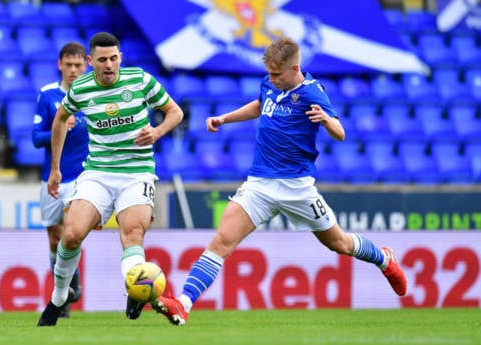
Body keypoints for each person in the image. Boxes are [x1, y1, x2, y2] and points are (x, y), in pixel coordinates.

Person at [150, 36, 408, 326]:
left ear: (295, 68)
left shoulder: (313, 93)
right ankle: (183, 304)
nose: (271, 79)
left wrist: (326, 120)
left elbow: (340, 133)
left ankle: (384, 259)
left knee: (339, 243)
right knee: (221, 241)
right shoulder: (269, 84)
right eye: (269, 73)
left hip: (297, 187)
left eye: (277, 74)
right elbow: (260, 105)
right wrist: (224, 118)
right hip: (259, 184)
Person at [36, 31, 184, 326]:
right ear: (90, 61)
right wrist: (55, 168)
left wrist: (156, 132)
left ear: (120, 58)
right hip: (99, 173)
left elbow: (174, 112)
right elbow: (60, 120)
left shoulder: (140, 80)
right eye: (102, 60)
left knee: (132, 233)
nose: (108, 65)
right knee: (71, 234)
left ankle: (135, 289)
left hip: (137, 172)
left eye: (113, 58)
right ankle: (59, 297)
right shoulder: (80, 89)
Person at [32, 42, 89, 318]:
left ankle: (69, 287)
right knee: (55, 238)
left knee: (71, 232)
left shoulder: (94, 96)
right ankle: (63, 294)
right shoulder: (48, 96)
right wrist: (59, 127)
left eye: (79, 65)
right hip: (53, 177)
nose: (74, 70)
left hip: (84, 176)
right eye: (69, 65)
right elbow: (35, 138)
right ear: (60, 65)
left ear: (86, 65)